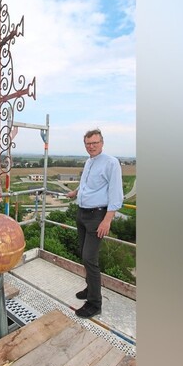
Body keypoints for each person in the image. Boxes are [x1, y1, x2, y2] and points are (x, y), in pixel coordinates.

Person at [65, 128, 124, 318]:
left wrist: (108, 220)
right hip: (82, 214)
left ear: (102, 143)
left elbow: (116, 194)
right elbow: (87, 184)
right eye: (88, 144)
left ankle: (95, 303)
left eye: (95, 143)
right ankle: (90, 289)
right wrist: (76, 192)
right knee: (83, 255)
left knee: (90, 258)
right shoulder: (89, 162)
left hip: (97, 216)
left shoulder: (111, 163)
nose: (91, 147)